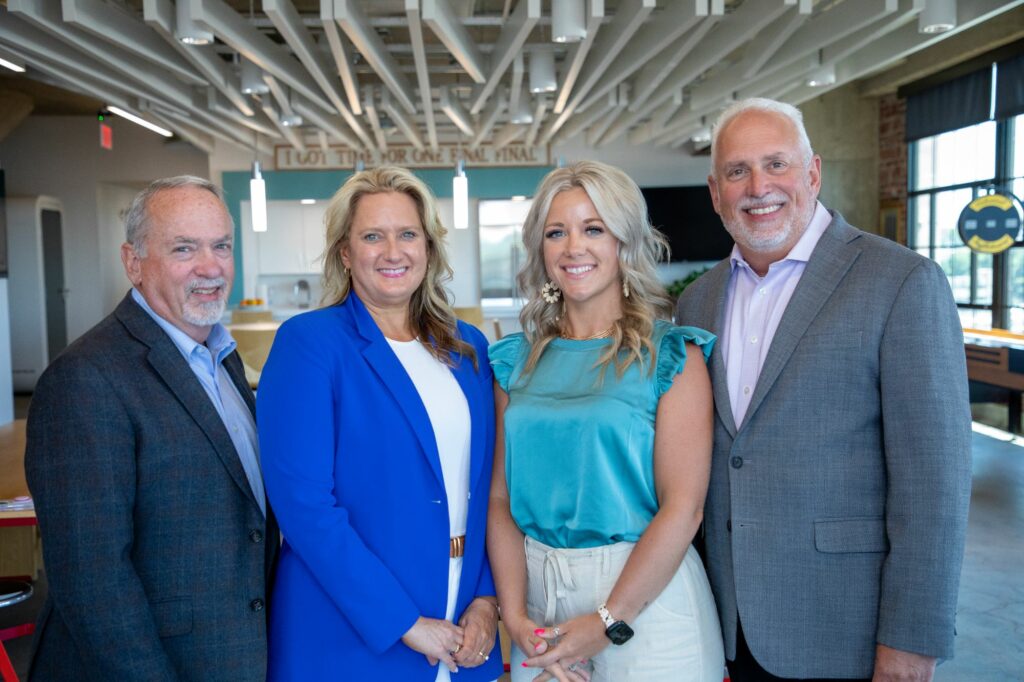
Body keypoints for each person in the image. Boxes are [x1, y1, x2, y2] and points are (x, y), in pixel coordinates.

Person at [676, 97, 973, 681]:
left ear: (813, 173)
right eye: (738, 171)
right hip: (726, 627)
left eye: (777, 164)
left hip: (848, 631)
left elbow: (935, 483)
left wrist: (912, 642)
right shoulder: (698, 301)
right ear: (716, 192)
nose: (759, 187)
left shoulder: (902, 283)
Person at [24, 176, 278, 680]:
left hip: (230, 654)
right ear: (133, 262)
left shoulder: (221, 360)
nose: (210, 267)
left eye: (221, 246)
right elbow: (93, 580)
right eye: (184, 248)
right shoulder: (85, 379)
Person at [257, 166, 502, 681]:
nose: (393, 252)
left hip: (465, 633)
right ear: (345, 253)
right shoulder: (310, 345)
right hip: (351, 636)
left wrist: (486, 598)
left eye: (408, 234)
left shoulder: (468, 348)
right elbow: (304, 508)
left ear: (429, 248)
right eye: (373, 236)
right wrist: (404, 622)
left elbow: (486, 489)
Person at [488, 160, 725, 682]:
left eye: (593, 228)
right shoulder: (513, 362)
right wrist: (515, 614)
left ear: (624, 242)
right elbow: (500, 500)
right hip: (539, 602)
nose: (574, 247)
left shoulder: (671, 356)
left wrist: (607, 620)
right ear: (541, 249)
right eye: (557, 232)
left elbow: (683, 508)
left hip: (649, 603)